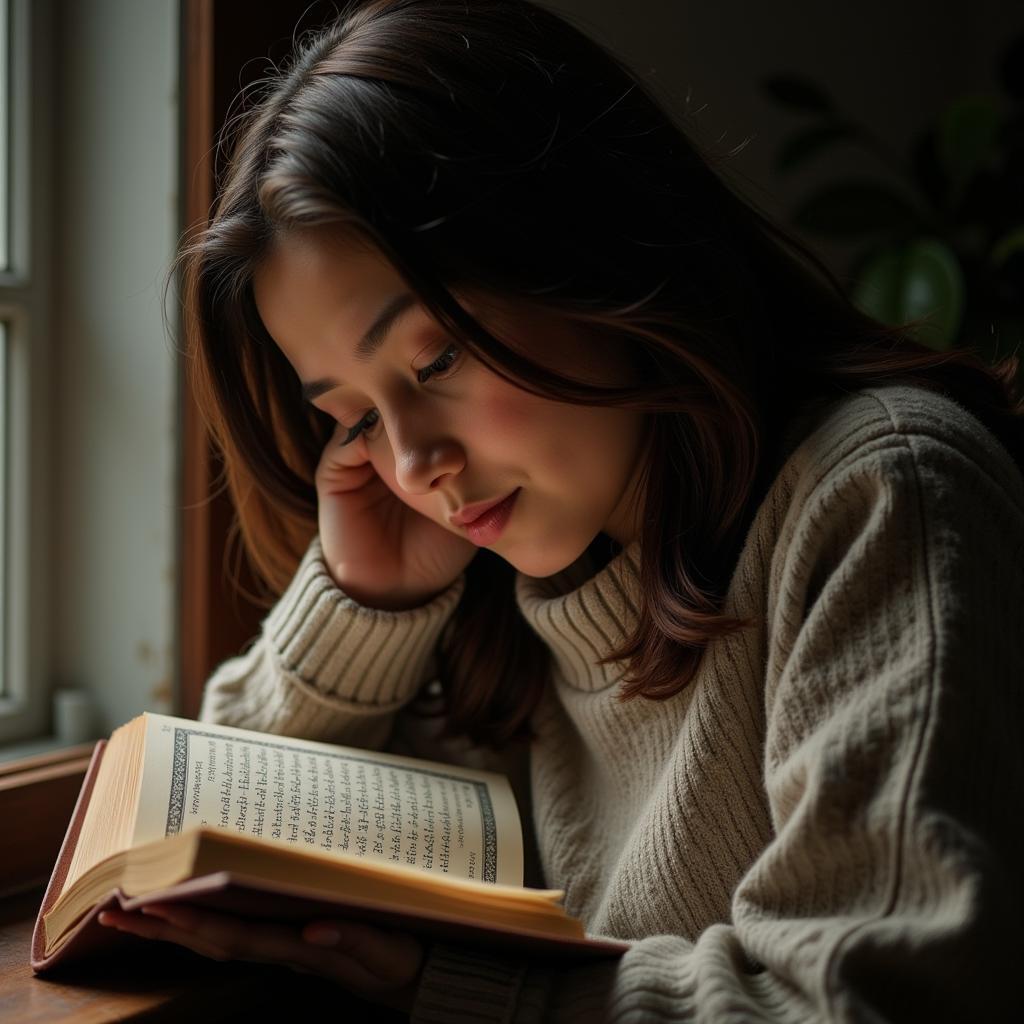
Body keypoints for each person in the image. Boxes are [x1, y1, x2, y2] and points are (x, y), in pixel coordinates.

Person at [98, 0, 1024, 1019]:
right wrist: (367, 605)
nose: (415, 462)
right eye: (355, 417)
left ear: (589, 246)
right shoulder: (499, 599)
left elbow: (871, 1000)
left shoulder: (876, 492)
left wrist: (485, 990)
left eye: (436, 357)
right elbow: (203, 817)